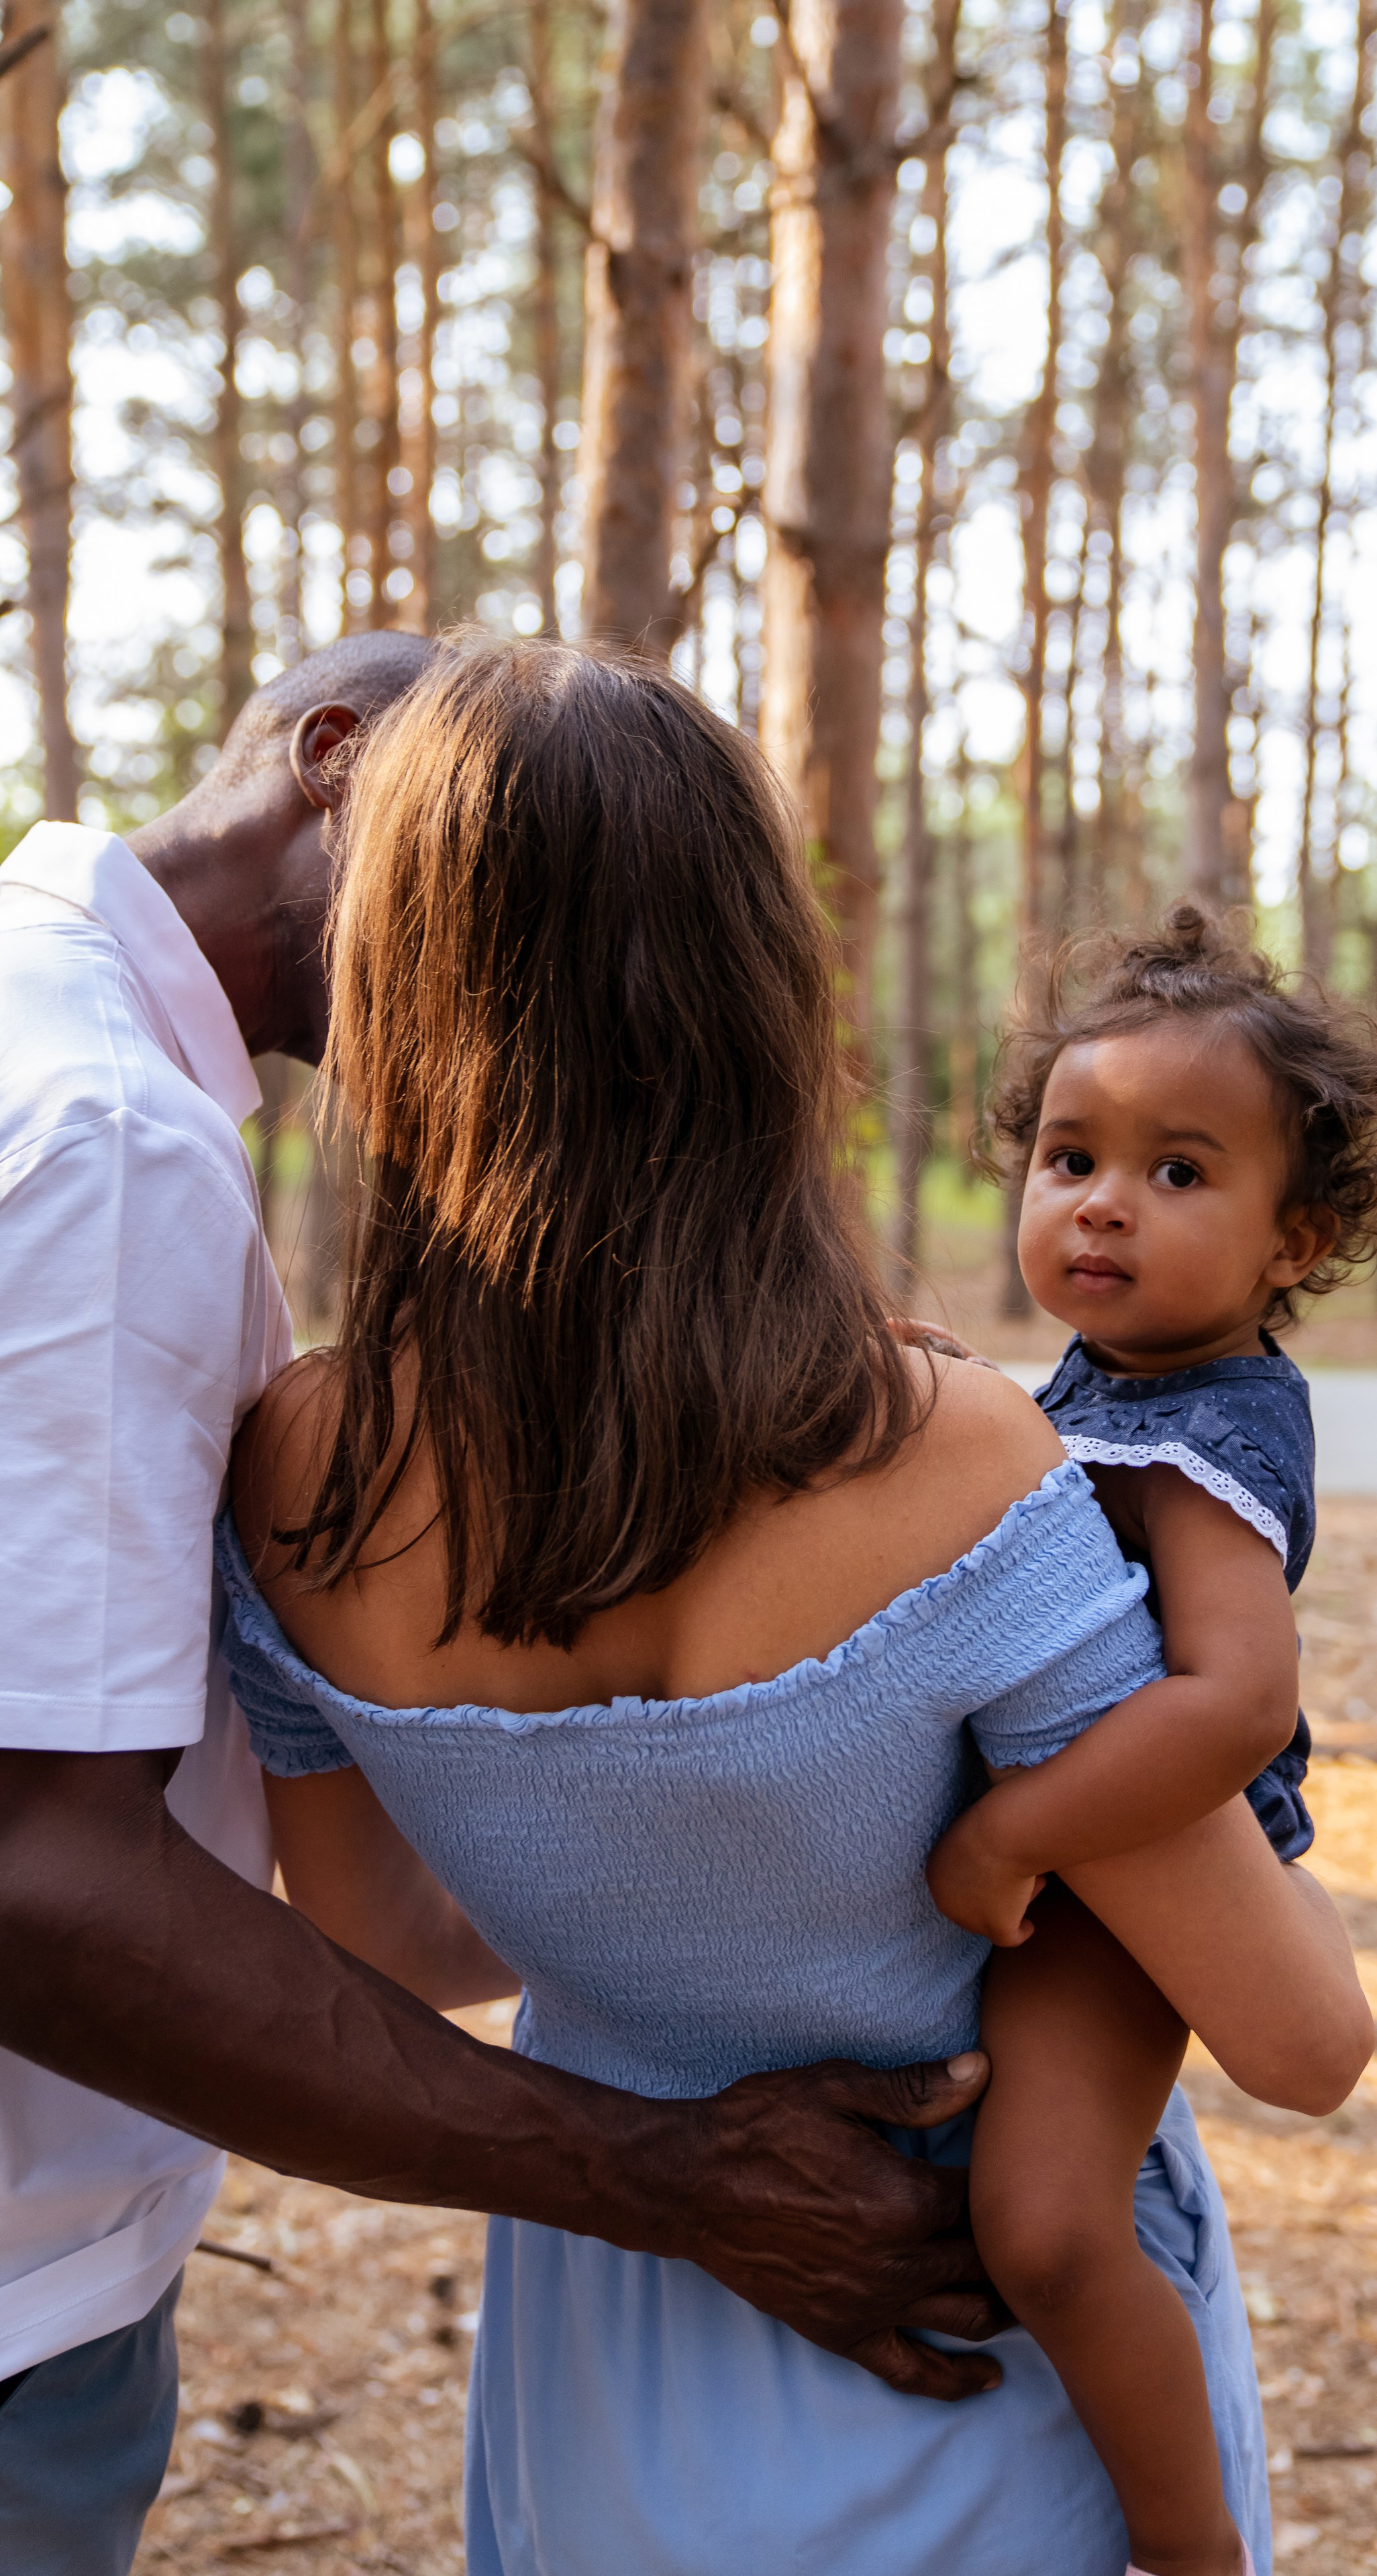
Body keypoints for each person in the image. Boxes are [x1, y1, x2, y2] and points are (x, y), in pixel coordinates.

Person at [219, 636, 1296, 2576]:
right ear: (756, 997)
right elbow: (1299, 2031)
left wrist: (644, 1919)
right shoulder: (953, 1452)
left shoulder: (295, 1470)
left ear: (392, 999)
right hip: (988, 2334)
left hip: (612, 2349)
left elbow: (386, 1948)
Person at [0, 635, 1008, 2576]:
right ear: (334, 764)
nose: (525, 997)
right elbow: (43, 1875)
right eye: (489, 892)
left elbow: (392, 1920)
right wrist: (668, 2179)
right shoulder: (114, 1144)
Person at [925, 910, 1377, 2575]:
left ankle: (1189, 2549)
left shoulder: (1207, 1428)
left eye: (1179, 1172)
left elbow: (1234, 1703)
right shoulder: (1102, 1386)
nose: (1102, 1201)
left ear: (1294, 1240)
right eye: (1069, 1157)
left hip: (1140, 1862)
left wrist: (1011, 1837)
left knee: (1044, 2228)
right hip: (1091, 1848)